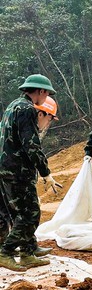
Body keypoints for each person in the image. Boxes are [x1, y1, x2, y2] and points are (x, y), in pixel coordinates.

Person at [0, 75, 61, 271]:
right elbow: (31, 145)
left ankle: (28, 250)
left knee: (18, 212)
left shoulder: (13, 106)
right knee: (29, 214)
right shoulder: (27, 109)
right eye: (47, 94)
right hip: (18, 170)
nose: (46, 97)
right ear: (41, 91)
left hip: (7, 168)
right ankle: (6, 253)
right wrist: (46, 173)